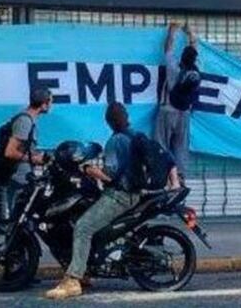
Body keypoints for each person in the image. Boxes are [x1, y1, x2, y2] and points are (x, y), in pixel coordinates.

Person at [46, 102, 180, 300]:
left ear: (108, 122)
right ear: (127, 117)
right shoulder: (137, 135)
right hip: (135, 195)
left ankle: (73, 280)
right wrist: (174, 183)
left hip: (119, 196)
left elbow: (110, 176)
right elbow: (167, 157)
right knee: (91, 221)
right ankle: (85, 269)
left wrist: (89, 170)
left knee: (83, 227)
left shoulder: (115, 141)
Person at [154, 22, 200, 180]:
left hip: (167, 110)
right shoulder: (196, 72)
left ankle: (161, 176)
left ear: (182, 57)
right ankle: (179, 178)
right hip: (184, 113)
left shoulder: (173, 68)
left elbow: (168, 50)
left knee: (161, 144)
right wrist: (191, 36)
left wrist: (172, 30)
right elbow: (194, 52)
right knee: (181, 148)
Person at [3, 88, 52, 215]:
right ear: (44, 104)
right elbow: (10, 152)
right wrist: (33, 159)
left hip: (24, 176)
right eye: (50, 102)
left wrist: (35, 156)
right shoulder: (24, 121)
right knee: (18, 218)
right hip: (18, 178)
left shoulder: (29, 120)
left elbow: (23, 149)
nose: (51, 105)